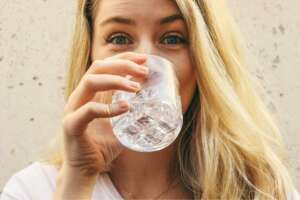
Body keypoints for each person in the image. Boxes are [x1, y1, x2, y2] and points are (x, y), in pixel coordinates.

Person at [1, 0, 300, 199]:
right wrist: (78, 181)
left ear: (204, 61)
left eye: (172, 38)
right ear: (89, 54)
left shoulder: (260, 188)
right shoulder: (34, 190)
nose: (146, 65)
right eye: (119, 38)